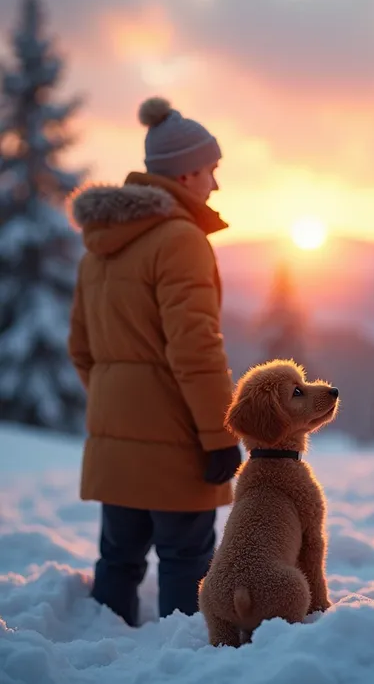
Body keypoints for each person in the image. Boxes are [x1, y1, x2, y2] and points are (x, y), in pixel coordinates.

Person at [68, 97, 242, 626]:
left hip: (114, 443)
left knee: (117, 562)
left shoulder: (99, 246)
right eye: (211, 170)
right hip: (177, 442)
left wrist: (117, 409)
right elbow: (195, 348)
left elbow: (81, 349)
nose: (214, 183)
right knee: (188, 563)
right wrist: (219, 433)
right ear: (187, 172)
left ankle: (104, 661)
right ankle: (185, 666)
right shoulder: (180, 240)